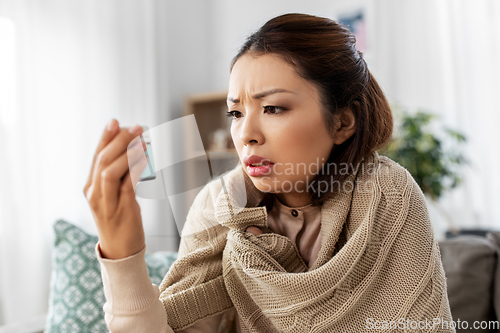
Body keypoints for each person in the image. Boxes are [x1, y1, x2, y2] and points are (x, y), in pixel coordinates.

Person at [84, 13, 455, 332]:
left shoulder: (387, 194)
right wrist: (123, 254)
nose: (246, 134)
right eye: (236, 113)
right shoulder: (217, 205)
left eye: (274, 108)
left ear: (342, 121)